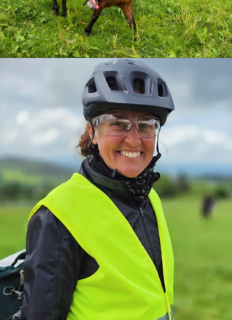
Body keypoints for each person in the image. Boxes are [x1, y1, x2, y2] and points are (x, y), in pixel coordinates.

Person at [13, 59, 177, 320]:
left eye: (146, 124)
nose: (133, 139)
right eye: (117, 123)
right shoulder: (59, 213)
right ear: (93, 132)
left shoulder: (149, 197)